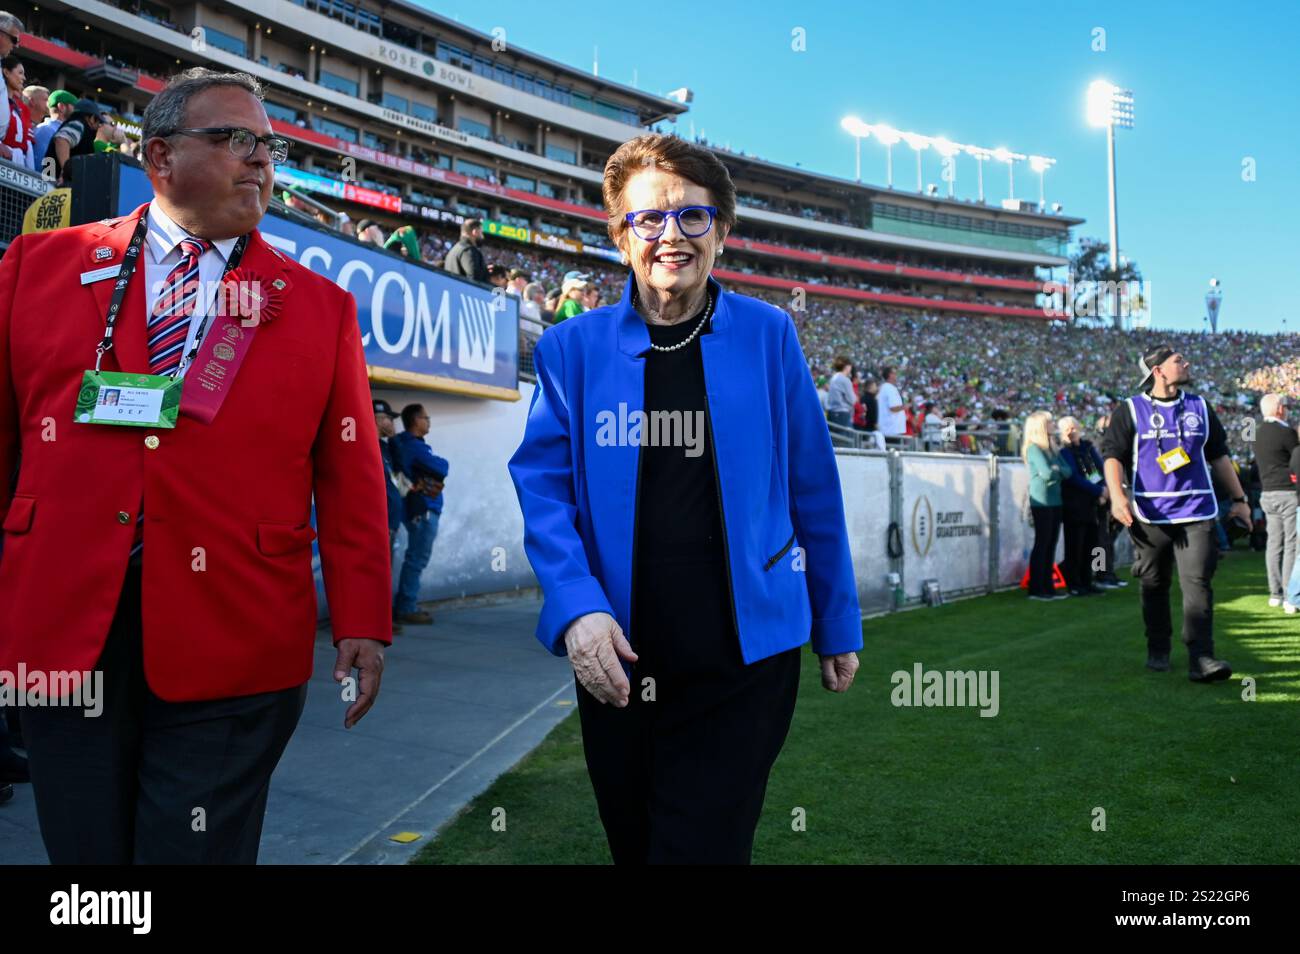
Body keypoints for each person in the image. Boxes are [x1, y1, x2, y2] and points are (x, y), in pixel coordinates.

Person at [0, 67, 392, 864]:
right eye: (235, 140)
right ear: (159, 157)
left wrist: (361, 620)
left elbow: (349, 475)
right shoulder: (35, 267)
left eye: (268, 146)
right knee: (87, 865)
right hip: (63, 628)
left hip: (237, 634)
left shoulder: (318, 305)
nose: (261, 160)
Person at [508, 132, 861, 865]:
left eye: (693, 218)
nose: (672, 235)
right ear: (620, 234)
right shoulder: (569, 350)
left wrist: (837, 619)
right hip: (619, 661)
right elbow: (544, 493)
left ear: (721, 232)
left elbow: (812, 487)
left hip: (746, 661)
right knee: (636, 847)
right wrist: (577, 607)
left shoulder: (769, 334)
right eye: (649, 219)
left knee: (702, 849)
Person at [1101, 346, 1249, 682]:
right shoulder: (1130, 409)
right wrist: (1117, 495)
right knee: (1154, 583)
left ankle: (1201, 657)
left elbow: (1219, 456)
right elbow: (1113, 455)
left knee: (1197, 583)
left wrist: (1240, 499)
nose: (1187, 363)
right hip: (1149, 513)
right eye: (1178, 360)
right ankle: (1158, 648)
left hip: (1197, 510)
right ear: (1158, 371)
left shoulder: (1199, 406)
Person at [392, 403, 448, 626]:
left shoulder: (408, 445)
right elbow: (442, 467)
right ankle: (406, 607)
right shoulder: (414, 446)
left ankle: (407, 605)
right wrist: (439, 462)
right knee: (417, 558)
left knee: (415, 557)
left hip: (419, 509)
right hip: (422, 510)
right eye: (426, 418)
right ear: (416, 420)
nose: (428, 421)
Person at [1254, 393, 1298, 611]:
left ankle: (1275, 593)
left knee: (1274, 544)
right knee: (1291, 544)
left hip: (1267, 493)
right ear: (1279, 408)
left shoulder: (1257, 433)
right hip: (1288, 493)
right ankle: (1291, 595)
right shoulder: (1286, 433)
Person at [1057, 416, 1108, 596]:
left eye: (1073, 428)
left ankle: (1089, 580)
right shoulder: (1064, 452)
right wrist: (1098, 491)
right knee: (1075, 546)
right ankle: (1075, 583)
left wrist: (1104, 489)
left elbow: (1101, 469)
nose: (1071, 432)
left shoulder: (1088, 448)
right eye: (1067, 429)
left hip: (1092, 504)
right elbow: (1072, 477)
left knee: (1092, 544)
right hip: (1074, 505)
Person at [1024, 410, 1070, 600]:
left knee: (1050, 543)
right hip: (1041, 501)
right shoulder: (1034, 448)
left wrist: (1055, 470)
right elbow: (1046, 473)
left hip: (1055, 500)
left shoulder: (1052, 448)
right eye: (1050, 423)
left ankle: (1047, 586)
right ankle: (1037, 587)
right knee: (1042, 543)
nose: (1053, 425)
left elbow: (1067, 471)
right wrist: (1056, 471)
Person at [373, 397, 406, 626]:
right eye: (386, 418)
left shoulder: (385, 446)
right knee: (375, 574)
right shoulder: (363, 444)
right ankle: (374, 621)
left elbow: (403, 466)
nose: (390, 423)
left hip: (391, 521)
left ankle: (382, 620)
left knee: (385, 573)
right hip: (376, 522)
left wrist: (393, 439)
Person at [45, 96, 103, 184]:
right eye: (99, 121)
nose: (99, 125)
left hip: (51, 182)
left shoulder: (74, 124)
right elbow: (61, 140)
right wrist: (66, 172)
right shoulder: (78, 124)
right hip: (55, 185)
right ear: (91, 118)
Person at [0, 56, 33, 168]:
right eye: (20, 73)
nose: (24, 78)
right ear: (6, 72)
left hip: (16, 170)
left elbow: (26, 146)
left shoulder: (21, 108)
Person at [32, 88, 74, 170]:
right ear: (61, 107)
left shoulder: (55, 129)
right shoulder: (46, 129)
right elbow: (42, 166)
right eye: (74, 107)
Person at [443, 217, 489, 283]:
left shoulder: (454, 249)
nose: (482, 236)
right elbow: (475, 279)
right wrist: (487, 274)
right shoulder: (468, 250)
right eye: (481, 233)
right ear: (475, 232)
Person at [876, 365, 906, 444]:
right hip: (891, 429)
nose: (896, 375)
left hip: (890, 429)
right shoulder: (889, 388)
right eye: (894, 373)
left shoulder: (886, 387)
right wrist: (905, 406)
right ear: (890, 375)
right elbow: (893, 408)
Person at [825, 356, 854, 429]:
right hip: (842, 414)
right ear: (846, 366)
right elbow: (852, 400)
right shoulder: (845, 380)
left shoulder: (833, 378)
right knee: (845, 439)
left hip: (832, 413)